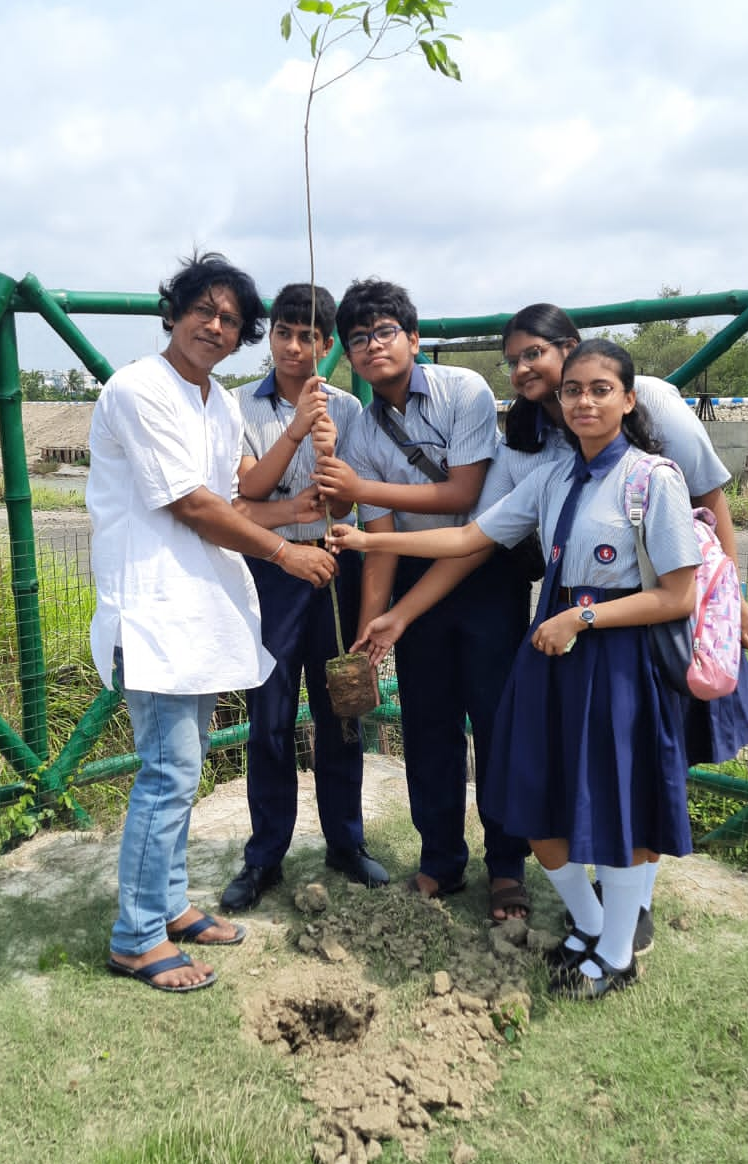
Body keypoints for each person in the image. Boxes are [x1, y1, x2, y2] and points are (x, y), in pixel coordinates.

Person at [353, 301, 748, 937]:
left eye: (598, 390)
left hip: (636, 642)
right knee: (573, 779)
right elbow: (472, 538)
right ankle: (601, 924)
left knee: (633, 781)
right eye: (573, 392)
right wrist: (370, 546)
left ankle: (621, 934)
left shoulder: (653, 463)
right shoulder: (546, 466)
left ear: (627, 397)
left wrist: (719, 601)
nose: (581, 401)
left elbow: (692, 557)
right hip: (565, 638)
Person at [88, 252, 337, 993]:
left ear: (240, 337)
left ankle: (166, 906)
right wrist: (285, 555)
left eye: (231, 319)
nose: (215, 325)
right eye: (204, 309)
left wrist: (295, 438)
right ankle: (135, 936)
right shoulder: (138, 389)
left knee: (184, 767)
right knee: (168, 773)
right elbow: (194, 507)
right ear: (174, 313)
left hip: (202, 609)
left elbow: (234, 492)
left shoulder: (219, 403)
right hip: (154, 606)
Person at [312, 278, 531, 907]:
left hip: (486, 575)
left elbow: (464, 496)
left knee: (496, 722)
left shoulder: (463, 389)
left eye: (384, 332)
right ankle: (440, 859)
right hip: (414, 579)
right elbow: (377, 541)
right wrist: (373, 623)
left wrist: (362, 487)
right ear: (349, 356)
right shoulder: (363, 431)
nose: (372, 346)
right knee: (427, 723)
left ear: (413, 338)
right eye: (358, 338)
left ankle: (508, 867)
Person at [219, 283, 389, 913]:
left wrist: (332, 457)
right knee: (268, 718)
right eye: (284, 333)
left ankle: (346, 843)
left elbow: (353, 505)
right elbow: (240, 503)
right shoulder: (234, 407)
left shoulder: (348, 408)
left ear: (328, 345)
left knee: (341, 712)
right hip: (266, 573)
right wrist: (294, 438)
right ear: (269, 337)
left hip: (335, 570)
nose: (294, 348)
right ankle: (264, 856)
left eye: (309, 337)